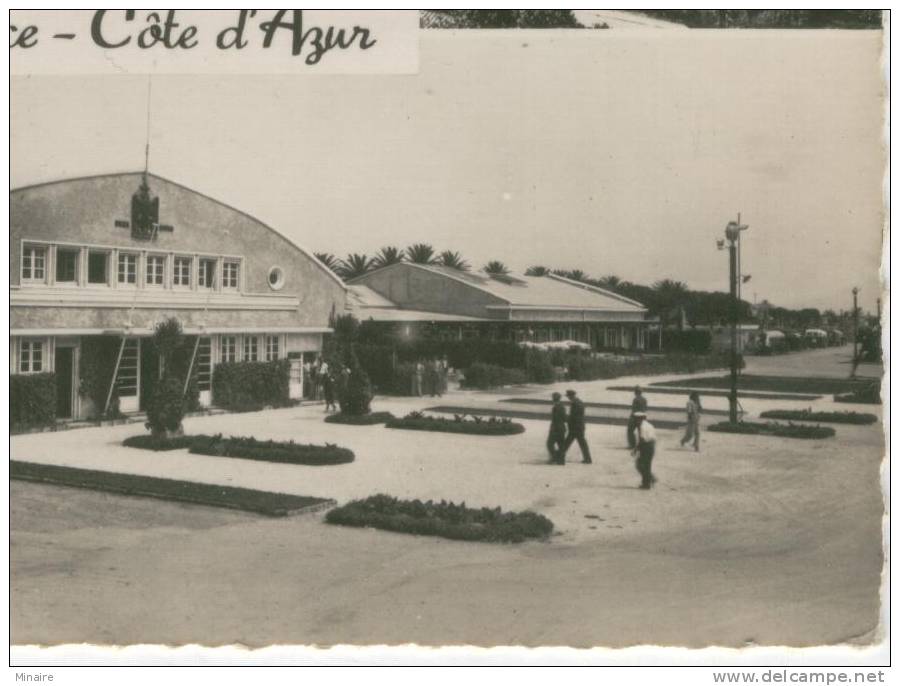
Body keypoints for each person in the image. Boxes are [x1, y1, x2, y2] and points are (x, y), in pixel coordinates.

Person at [562, 389, 592, 464]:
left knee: (567, 443)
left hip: (575, 427)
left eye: (568, 396)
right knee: (582, 443)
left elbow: (574, 416)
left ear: (571, 396)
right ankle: (588, 459)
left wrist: (566, 418)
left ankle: (559, 456)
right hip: (579, 427)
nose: (568, 398)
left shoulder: (575, 403)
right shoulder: (579, 402)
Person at [632, 412, 657, 489]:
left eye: (636, 419)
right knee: (646, 465)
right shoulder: (649, 425)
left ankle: (648, 482)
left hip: (646, 446)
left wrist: (636, 449)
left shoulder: (642, 427)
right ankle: (648, 481)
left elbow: (642, 439)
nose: (635, 421)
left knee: (640, 465)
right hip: (651, 446)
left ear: (639, 419)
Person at [546, 392, 567, 465]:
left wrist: (553, 428)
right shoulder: (562, 406)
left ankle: (555, 457)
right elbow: (564, 418)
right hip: (561, 428)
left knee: (549, 444)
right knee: (561, 445)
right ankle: (561, 460)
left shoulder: (556, 407)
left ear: (554, 399)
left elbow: (556, 419)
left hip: (556, 429)